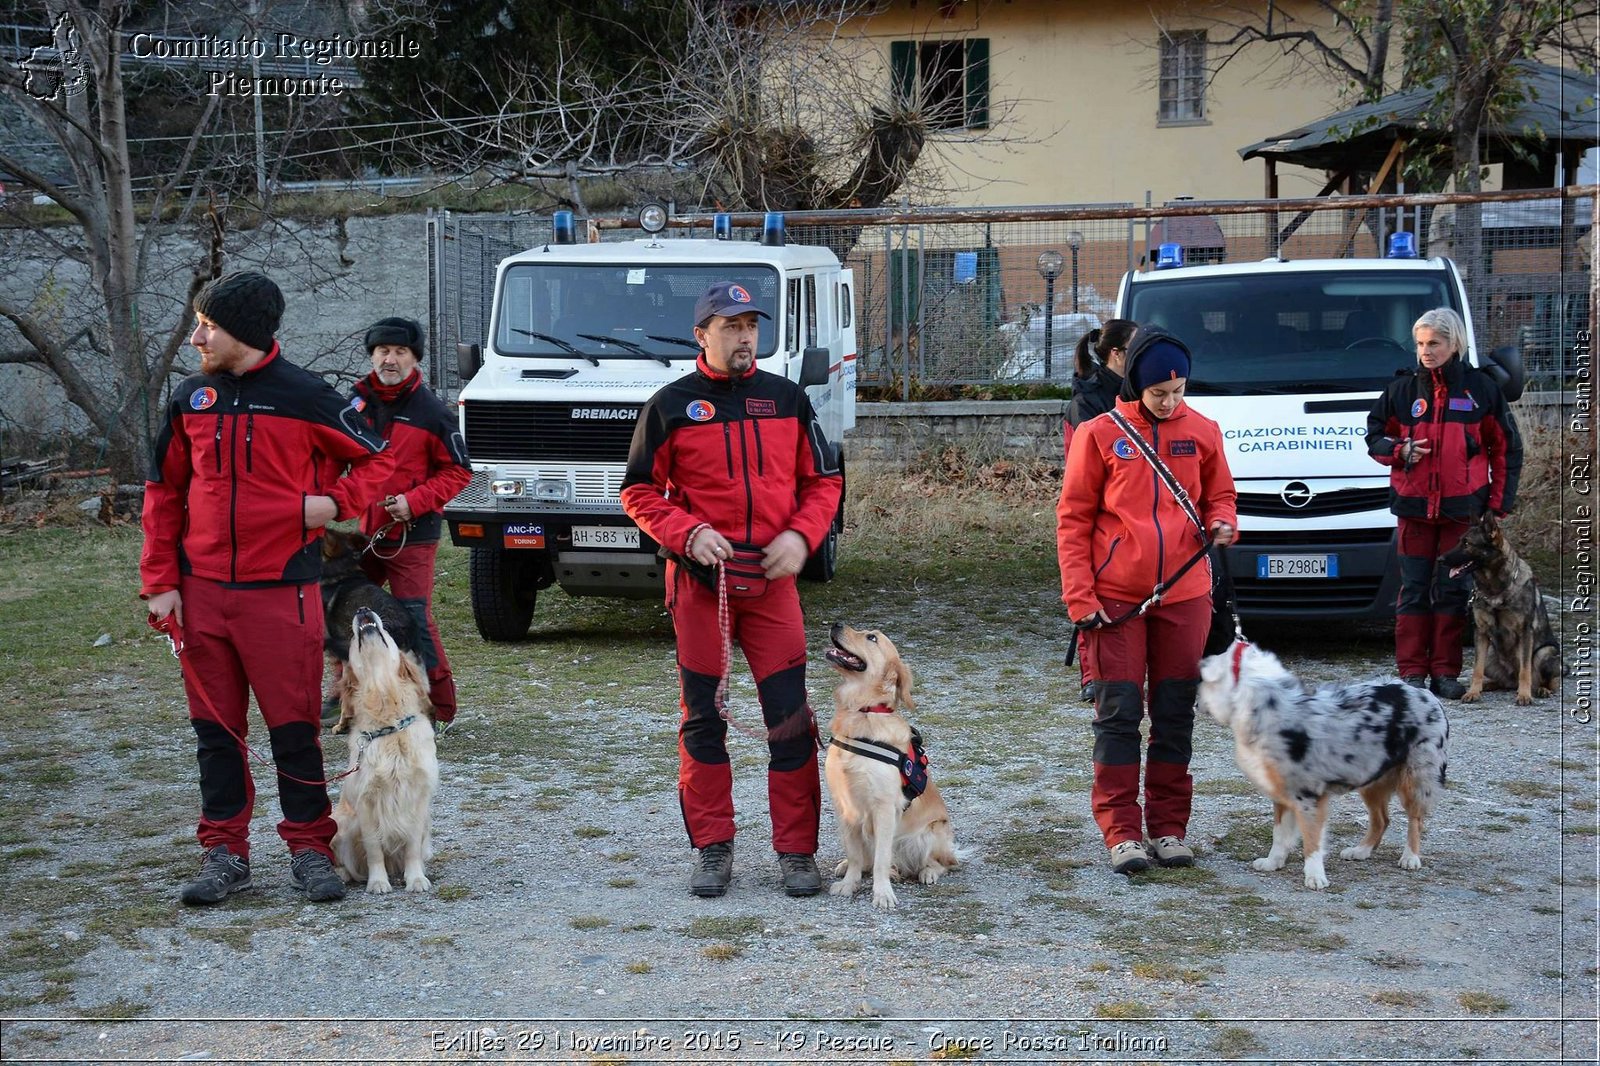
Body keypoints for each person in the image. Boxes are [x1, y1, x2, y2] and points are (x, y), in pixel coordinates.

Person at [141, 271, 394, 906]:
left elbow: (381, 461)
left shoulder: (306, 395)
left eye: (209, 325)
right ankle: (225, 852)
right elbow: (164, 493)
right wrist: (160, 583)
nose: (196, 336)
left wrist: (333, 501)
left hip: (281, 593)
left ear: (245, 335)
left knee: (293, 727)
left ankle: (310, 849)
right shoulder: (189, 399)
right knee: (216, 733)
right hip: (200, 594)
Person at [621, 281, 843, 899]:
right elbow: (637, 491)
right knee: (703, 722)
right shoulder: (670, 405)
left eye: (751, 325)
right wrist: (686, 532)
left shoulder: (788, 400)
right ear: (702, 336)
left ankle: (797, 853)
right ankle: (713, 848)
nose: (745, 337)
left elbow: (824, 482)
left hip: (772, 586)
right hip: (700, 587)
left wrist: (801, 537)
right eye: (730, 326)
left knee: (791, 723)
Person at [1056, 326, 1237, 875]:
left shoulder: (1203, 430)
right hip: (1116, 600)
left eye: (1179, 390)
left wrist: (1223, 520)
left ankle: (1169, 828)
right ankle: (1121, 832)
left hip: (1187, 595)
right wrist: (1079, 597)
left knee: (1175, 713)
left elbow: (1220, 493)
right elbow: (1073, 520)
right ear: (1136, 383)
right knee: (1118, 714)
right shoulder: (1097, 434)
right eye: (1160, 392)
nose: (1171, 401)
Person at [1365, 307, 1521, 698]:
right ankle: (1413, 673)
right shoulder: (1401, 390)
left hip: (1462, 512)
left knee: (1452, 592)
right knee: (1414, 590)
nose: (1426, 351)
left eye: (1434, 343)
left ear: (1454, 344)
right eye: (1420, 344)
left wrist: (1498, 505)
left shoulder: (1481, 389)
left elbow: (1506, 449)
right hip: (1414, 509)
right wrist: (1400, 450)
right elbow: (1374, 438)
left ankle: (1446, 674)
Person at [345, 316, 472, 732]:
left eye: (400, 352)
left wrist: (413, 502)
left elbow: (459, 473)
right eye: (383, 351)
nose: (390, 359)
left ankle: (440, 708)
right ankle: (345, 702)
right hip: (366, 532)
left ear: (415, 359)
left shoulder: (433, 412)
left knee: (413, 618)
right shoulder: (354, 404)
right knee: (339, 611)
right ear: (372, 356)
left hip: (413, 536)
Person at [1064, 319, 1137, 703]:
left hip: (1130, 507)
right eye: (1134, 348)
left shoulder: (1140, 391)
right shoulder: (1087, 401)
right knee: (1089, 588)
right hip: (1095, 506)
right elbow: (1083, 465)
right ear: (1116, 354)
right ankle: (1091, 674)